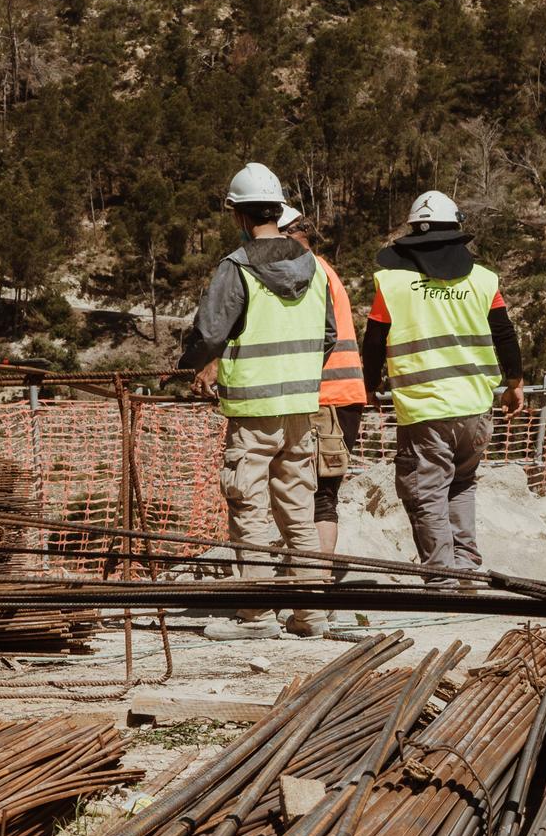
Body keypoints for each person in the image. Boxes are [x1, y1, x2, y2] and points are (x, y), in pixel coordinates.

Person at [177, 162, 338, 640]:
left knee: (248, 509)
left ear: (239, 215)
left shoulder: (238, 267)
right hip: (300, 409)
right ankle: (311, 615)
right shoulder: (315, 267)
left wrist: (189, 368)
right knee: (297, 508)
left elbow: (209, 333)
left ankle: (256, 617)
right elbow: (328, 335)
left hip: (252, 412)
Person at [361, 191, 525, 583]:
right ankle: (466, 566)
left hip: (424, 410)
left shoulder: (393, 284)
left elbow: (374, 340)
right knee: (462, 484)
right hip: (474, 407)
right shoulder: (484, 280)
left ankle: (441, 576)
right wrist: (514, 383)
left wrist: (370, 386)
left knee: (426, 491)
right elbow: (505, 334)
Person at [278, 204, 366, 566]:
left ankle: (312, 582)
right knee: (324, 496)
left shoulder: (305, 272)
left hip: (323, 399)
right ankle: (316, 579)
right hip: (342, 397)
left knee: (312, 497)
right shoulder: (325, 269)